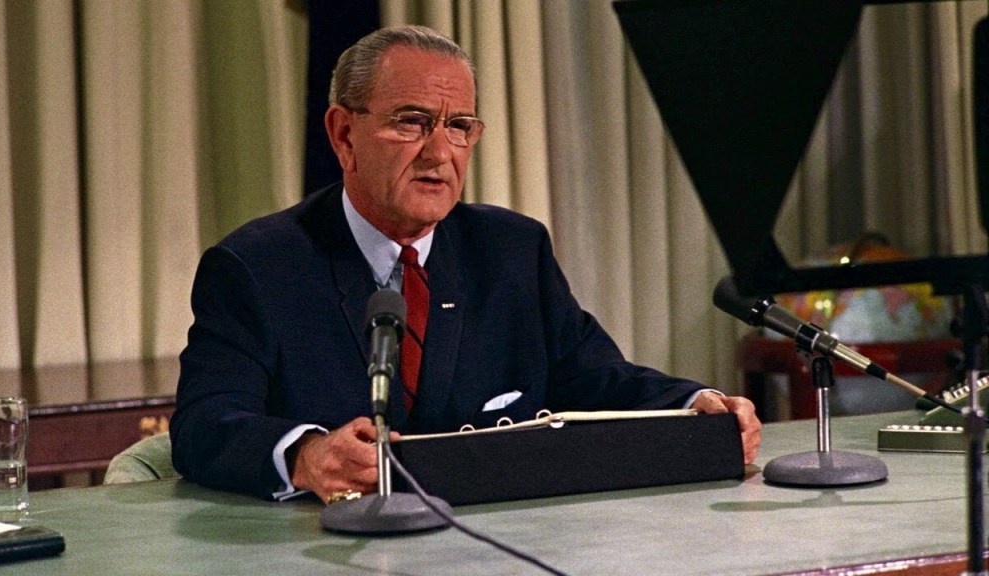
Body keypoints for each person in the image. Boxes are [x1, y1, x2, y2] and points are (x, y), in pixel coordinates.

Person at [170, 25, 762, 503]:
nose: (439, 152)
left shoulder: (511, 250)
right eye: (412, 121)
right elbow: (204, 423)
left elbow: (593, 378)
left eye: (458, 127)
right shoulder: (257, 267)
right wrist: (305, 456)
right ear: (344, 134)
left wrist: (693, 406)